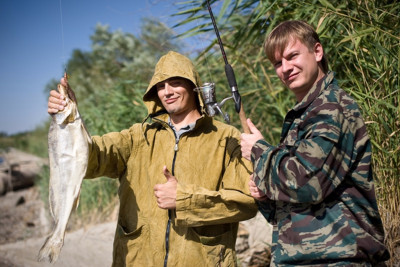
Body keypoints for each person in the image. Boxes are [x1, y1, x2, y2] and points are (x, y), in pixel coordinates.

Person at [48, 51, 258, 266]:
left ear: (193, 86)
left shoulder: (227, 137)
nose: (167, 92)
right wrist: (69, 120)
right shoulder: (138, 137)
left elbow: (246, 202)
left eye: (175, 83)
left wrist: (184, 199)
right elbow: (90, 158)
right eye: (160, 86)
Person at [240, 20, 390, 266]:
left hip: (339, 259)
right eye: (278, 63)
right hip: (301, 259)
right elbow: (291, 209)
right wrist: (265, 194)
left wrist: (260, 151)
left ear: (317, 52)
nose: (285, 68)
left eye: (292, 56)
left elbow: (308, 182)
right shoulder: (304, 115)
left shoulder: (331, 107)